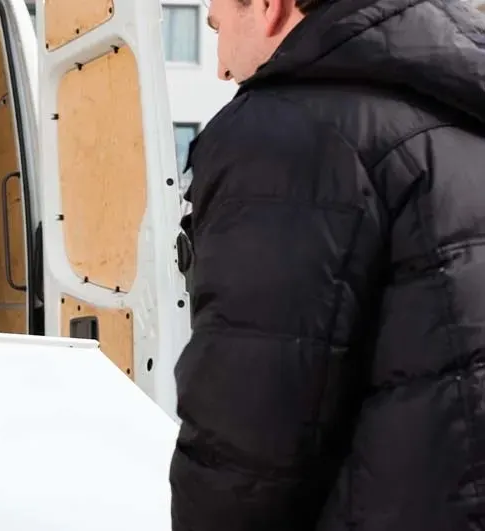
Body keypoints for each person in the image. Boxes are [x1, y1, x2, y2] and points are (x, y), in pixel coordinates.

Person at [169, 0, 485, 528]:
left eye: (218, 27)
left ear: (270, 7)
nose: (221, 66)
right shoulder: (460, 113)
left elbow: (248, 439)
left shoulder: (283, 131)